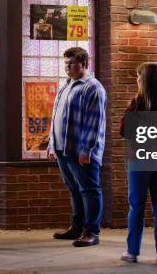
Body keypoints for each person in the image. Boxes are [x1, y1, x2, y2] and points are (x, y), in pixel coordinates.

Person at [48, 47, 107, 247]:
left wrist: (86, 151)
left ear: (83, 63)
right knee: (74, 189)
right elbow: (55, 116)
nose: (67, 67)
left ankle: (91, 231)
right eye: (65, 63)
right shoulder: (66, 85)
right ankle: (77, 227)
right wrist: (51, 144)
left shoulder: (93, 87)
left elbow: (94, 123)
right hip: (63, 149)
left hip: (80, 152)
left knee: (89, 190)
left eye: (71, 63)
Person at [119, 62, 157, 264]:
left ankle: (132, 252)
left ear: (145, 80)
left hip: (140, 160)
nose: (137, 79)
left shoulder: (136, 103)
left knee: (137, 207)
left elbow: (125, 131)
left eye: (139, 76)